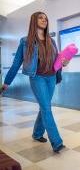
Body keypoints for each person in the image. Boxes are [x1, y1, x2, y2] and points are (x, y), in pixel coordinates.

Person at [1, 12, 69, 153]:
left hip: (51, 77)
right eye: (40, 18)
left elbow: (57, 62)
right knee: (46, 108)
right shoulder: (26, 41)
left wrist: (64, 62)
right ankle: (57, 142)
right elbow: (16, 63)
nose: (44, 20)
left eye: (46, 18)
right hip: (37, 78)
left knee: (45, 107)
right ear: (34, 21)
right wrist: (6, 82)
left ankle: (37, 134)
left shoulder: (52, 41)